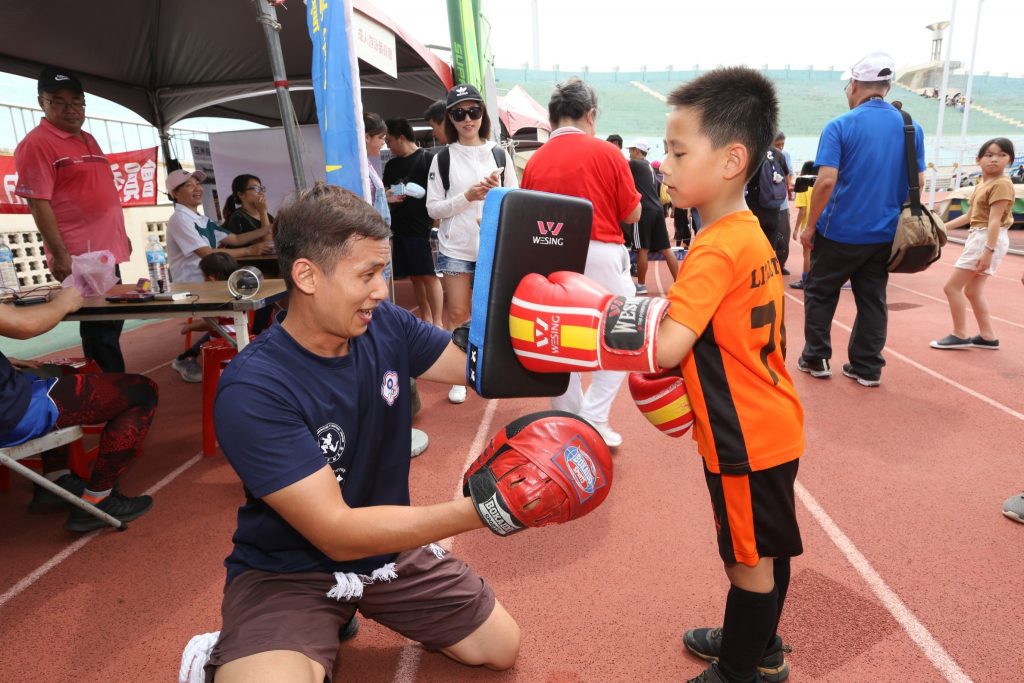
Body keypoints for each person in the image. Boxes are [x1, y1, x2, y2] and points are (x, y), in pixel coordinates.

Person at [192, 182, 606, 682]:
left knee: (499, 648)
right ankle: (227, 653)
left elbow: (479, 369)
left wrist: (572, 329)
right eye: (366, 274)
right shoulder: (254, 388)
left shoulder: (383, 323)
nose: (382, 290)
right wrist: (483, 510)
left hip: (386, 549)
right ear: (306, 275)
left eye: (382, 273)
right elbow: (336, 533)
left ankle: (338, 614)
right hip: (288, 566)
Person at [507, 66, 803, 683]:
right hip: (771, 421)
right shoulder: (747, 235)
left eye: (676, 150)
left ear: (731, 160)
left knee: (746, 558)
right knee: (766, 544)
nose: (663, 164)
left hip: (742, 435)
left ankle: (740, 669)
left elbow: (665, 347)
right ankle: (762, 641)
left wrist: (577, 323)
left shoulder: (715, 247)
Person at [519, 77, 641, 448]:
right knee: (625, 337)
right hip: (602, 252)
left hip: (551, 255)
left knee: (557, 340)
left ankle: (568, 417)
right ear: (590, 114)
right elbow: (633, 213)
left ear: (552, 118)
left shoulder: (535, 160)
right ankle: (595, 415)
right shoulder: (607, 153)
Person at [798, 51, 925, 388]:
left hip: (839, 231)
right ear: (886, 86)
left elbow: (825, 181)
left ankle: (817, 357)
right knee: (872, 300)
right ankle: (866, 367)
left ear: (854, 85)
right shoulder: (911, 127)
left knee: (821, 292)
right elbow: (920, 183)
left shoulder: (840, 125)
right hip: (885, 234)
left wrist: (810, 226)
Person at [1, 286, 159, 532]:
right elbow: (26, 325)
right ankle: (99, 500)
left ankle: (55, 480)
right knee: (141, 391)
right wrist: (63, 302)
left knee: (48, 372)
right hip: (10, 411)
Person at [14, 66, 133, 373]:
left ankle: (110, 389)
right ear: (42, 102)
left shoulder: (88, 138)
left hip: (106, 251)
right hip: (81, 256)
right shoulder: (37, 143)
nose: (70, 109)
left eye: (76, 102)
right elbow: (38, 203)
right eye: (58, 101)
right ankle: (111, 394)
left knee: (111, 323)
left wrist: (121, 236)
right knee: (100, 329)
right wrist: (62, 255)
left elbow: (98, 194)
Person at [426, 83, 518, 405]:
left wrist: (494, 196)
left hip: (492, 248)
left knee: (494, 313)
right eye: (459, 113)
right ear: (450, 118)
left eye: (474, 111)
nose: (468, 119)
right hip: (455, 248)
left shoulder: (499, 153)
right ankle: (459, 375)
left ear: (483, 113)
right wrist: (469, 196)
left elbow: (514, 202)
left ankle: (492, 367)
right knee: (458, 312)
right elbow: (433, 209)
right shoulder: (442, 159)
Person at [164, 169, 272, 382]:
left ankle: (243, 351)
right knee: (256, 297)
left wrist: (270, 221)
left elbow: (235, 239)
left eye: (197, 183)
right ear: (175, 194)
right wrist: (251, 251)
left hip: (215, 278)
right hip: (196, 283)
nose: (197, 188)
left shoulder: (200, 218)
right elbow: (206, 254)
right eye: (189, 185)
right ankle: (242, 354)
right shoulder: (179, 219)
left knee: (264, 292)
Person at [930, 138, 1016, 350]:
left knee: (951, 287)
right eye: (989, 155)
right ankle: (988, 336)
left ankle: (959, 334)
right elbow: (970, 215)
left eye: (1002, 155)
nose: (994, 159)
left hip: (987, 238)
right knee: (973, 291)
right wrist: (941, 226)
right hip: (981, 235)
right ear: (978, 160)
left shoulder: (1001, 184)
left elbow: (994, 220)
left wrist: (988, 250)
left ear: (1010, 161)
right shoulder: (983, 183)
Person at [384, 117, 444, 327]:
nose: (388, 146)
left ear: (401, 137)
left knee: (429, 275)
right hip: (400, 227)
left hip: (424, 228)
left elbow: (438, 193)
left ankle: (438, 323)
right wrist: (393, 194)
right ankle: (426, 319)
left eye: (389, 140)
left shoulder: (428, 159)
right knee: (415, 277)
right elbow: (387, 192)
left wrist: (437, 222)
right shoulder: (391, 165)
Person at [627, 140, 680, 294]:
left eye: (631, 150)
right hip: (657, 209)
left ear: (637, 151)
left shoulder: (635, 165)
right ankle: (679, 282)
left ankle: (641, 285)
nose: (629, 153)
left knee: (642, 249)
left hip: (644, 211)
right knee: (666, 249)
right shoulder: (649, 166)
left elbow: (616, 165)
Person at [789, 161, 817, 289]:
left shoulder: (803, 189)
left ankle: (806, 280)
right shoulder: (818, 186)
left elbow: (803, 210)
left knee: (807, 254)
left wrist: (795, 230)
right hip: (820, 225)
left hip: (808, 226)